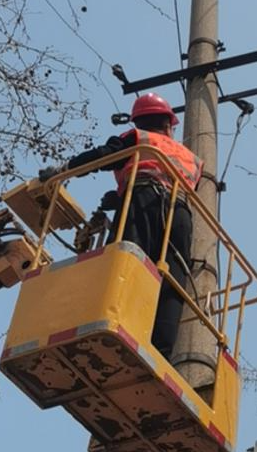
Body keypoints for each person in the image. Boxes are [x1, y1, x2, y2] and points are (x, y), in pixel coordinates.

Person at [39, 92, 202, 360]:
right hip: (181, 213)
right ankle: (161, 352)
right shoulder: (190, 158)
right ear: (168, 124)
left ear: (139, 122)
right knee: (173, 277)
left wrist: (63, 170)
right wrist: (118, 197)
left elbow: (105, 156)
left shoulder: (139, 138)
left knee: (129, 258)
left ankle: (117, 323)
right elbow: (163, 178)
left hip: (143, 200)